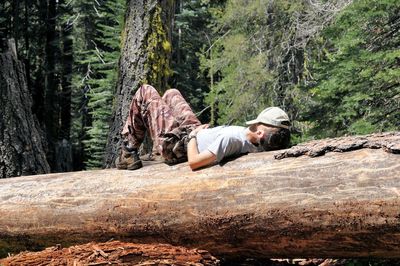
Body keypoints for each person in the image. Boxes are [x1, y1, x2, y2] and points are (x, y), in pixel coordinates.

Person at [116, 84, 291, 171]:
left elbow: (194, 162)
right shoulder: (253, 141)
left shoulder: (232, 140)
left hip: (176, 146)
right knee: (171, 94)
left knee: (145, 91)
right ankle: (147, 151)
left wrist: (193, 135)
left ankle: (128, 152)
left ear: (260, 132)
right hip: (192, 134)